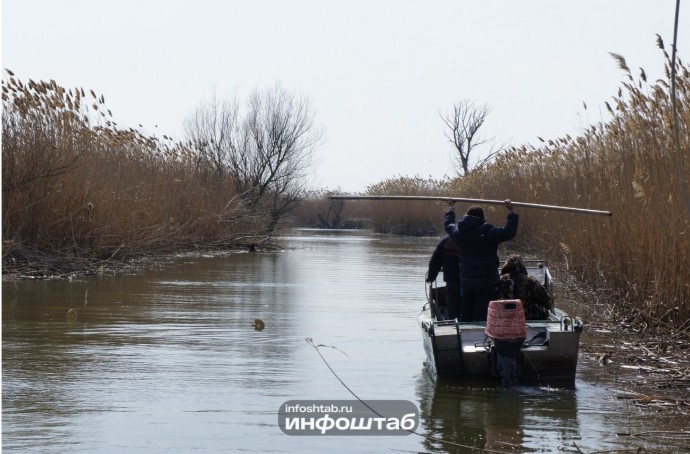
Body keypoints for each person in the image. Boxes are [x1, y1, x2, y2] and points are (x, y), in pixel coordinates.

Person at [444, 200, 518, 322]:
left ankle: (464, 337)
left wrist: (451, 208)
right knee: (482, 315)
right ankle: (482, 339)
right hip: (486, 282)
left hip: (466, 282)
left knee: (466, 313)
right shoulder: (489, 233)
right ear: (483, 218)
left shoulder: (460, 233)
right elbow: (509, 232)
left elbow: (448, 225)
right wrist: (511, 211)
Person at [497, 254, 552, 320]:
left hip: (503, 317)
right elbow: (545, 301)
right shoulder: (530, 280)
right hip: (527, 317)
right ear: (521, 266)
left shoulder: (499, 281)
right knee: (544, 311)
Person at [426, 235, 461, 320]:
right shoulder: (479, 238)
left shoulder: (445, 241)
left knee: (453, 310)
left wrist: (431, 277)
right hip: (477, 282)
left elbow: (435, 262)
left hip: (452, 282)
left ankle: (453, 326)